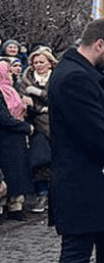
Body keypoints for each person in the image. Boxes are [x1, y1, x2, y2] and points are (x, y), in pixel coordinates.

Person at [48, 18, 104, 263]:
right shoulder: (74, 77)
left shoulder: (83, 73)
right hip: (81, 186)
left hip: (94, 185)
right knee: (77, 253)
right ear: (99, 45)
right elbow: (95, 132)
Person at [16, 46, 57, 213]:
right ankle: (42, 195)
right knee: (40, 160)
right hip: (37, 125)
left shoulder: (56, 78)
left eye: (42, 62)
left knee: (58, 161)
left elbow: (57, 98)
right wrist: (40, 108)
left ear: (50, 63)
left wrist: (38, 94)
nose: (38, 65)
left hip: (57, 125)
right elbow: (25, 104)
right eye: (35, 62)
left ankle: (56, 196)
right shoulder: (25, 81)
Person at [0, 60, 34, 221]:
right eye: (7, 72)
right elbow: (4, 118)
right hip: (6, 137)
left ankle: (16, 206)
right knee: (8, 173)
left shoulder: (12, 90)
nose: (10, 75)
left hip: (15, 137)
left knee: (17, 172)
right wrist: (25, 127)